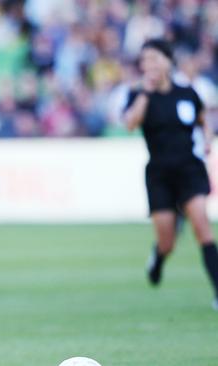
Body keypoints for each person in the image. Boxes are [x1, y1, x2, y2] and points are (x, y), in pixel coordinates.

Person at [123, 39, 218, 310]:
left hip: (189, 168)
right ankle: (159, 257)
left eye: (154, 59)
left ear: (167, 60)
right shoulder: (139, 94)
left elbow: (203, 120)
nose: (149, 65)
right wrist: (146, 92)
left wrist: (208, 138)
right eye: (144, 61)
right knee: (167, 240)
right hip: (160, 173)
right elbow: (130, 123)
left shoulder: (187, 93)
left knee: (202, 226)